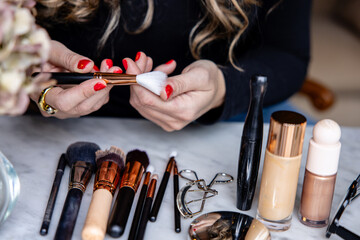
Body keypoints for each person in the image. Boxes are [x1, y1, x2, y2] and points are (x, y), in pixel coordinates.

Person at [31, 0, 311, 131]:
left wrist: (224, 87)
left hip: (227, 119)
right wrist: (28, 79)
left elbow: (287, 54)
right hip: (54, 127)